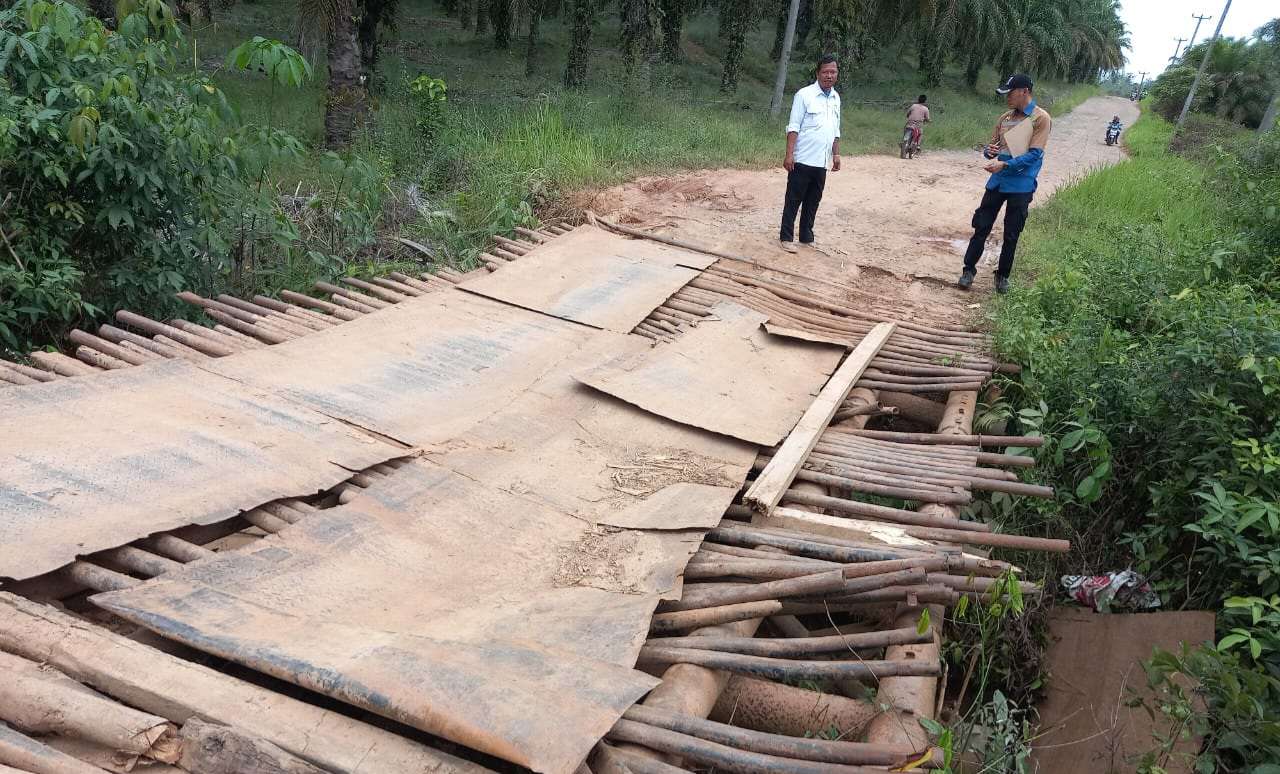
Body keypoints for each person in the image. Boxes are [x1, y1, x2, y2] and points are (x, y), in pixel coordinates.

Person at [957, 73, 1052, 294]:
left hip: (1021, 185)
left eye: (1010, 93)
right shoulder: (1005, 118)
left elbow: (1035, 155)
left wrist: (1006, 165)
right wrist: (988, 152)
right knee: (981, 226)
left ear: (1024, 92)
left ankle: (1002, 276)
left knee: (1011, 233)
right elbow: (993, 148)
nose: (1007, 97)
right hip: (997, 182)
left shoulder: (1040, 118)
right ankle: (968, 271)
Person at [779, 54, 841, 254]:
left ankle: (806, 237)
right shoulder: (804, 95)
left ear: (837, 74)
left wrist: (836, 155)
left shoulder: (835, 98)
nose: (829, 76)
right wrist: (789, 155)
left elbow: (835, 129)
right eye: (825, 72)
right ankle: (786, 237)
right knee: (794, 200)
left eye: (833, 72)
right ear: (818, 73)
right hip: (803, 158)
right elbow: (793, 127)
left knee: (813, 201)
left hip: (821, 161)